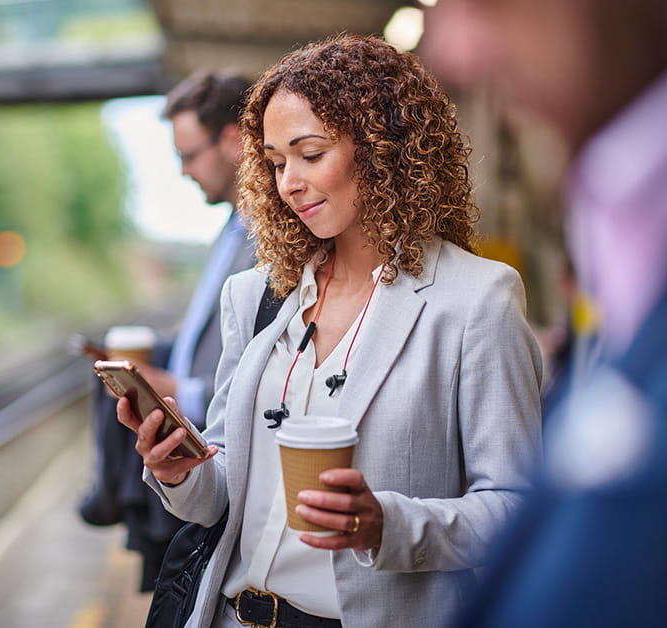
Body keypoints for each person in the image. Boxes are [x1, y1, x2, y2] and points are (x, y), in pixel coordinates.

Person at [117, 35, 543, 627]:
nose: (288, 182)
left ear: (381, 148)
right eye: (274, 161)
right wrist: (178, 470)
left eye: (309, 153)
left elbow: (518, 512)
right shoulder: (257, 295)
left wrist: (384, 525)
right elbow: (218, 497)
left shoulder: (476, 300)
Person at [422, 1, 667, 626]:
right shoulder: (619, 234)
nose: (454, 53)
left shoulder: (483, 294)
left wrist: (387, 524)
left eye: (486, 2)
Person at [79, 71, 256, 592]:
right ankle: (111, 492)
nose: (182, 171)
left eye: (190, 154)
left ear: (233, 140)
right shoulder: (231, 229)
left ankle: (109, 494)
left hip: (216, 452)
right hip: (193, 457)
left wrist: (183, 389)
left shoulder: (267, 238)